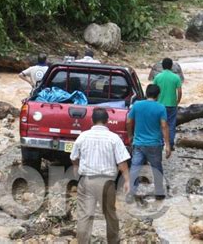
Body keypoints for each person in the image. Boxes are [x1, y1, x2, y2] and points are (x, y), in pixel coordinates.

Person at [70, 108, 130, 244]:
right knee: (110, 214)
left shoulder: (83, 136)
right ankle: (113, 241)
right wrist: (127, 180)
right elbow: (122, 162)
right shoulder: (114, 138)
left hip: (87, 181)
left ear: (92, 120)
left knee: (85, 216)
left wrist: (76, 166)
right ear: (107, 121)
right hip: (107, 182)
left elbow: (73, 156)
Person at [127, 84, 171, 202]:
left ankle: (132, 192)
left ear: (146, 94)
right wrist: (168, 145)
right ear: (158, 95)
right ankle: (159, 193)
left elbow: (129, 121)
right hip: (155, 144)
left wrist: (130, 136)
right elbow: (163, 126)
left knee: (135, 167)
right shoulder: (161, 108)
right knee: (156, 168)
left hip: (139, 143)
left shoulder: (137, 105)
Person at [153, 58, 182, 150]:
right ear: (171, 66)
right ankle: (171, 144)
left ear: (162, 66)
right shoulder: (176, 77)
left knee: (159, 124)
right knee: (171, 125)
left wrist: (155, 102)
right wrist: (178, 101)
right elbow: (180, 91)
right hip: (172, 104)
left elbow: (154, 90)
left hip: (159, 105)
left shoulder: (157, 77)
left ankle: (160, 143)